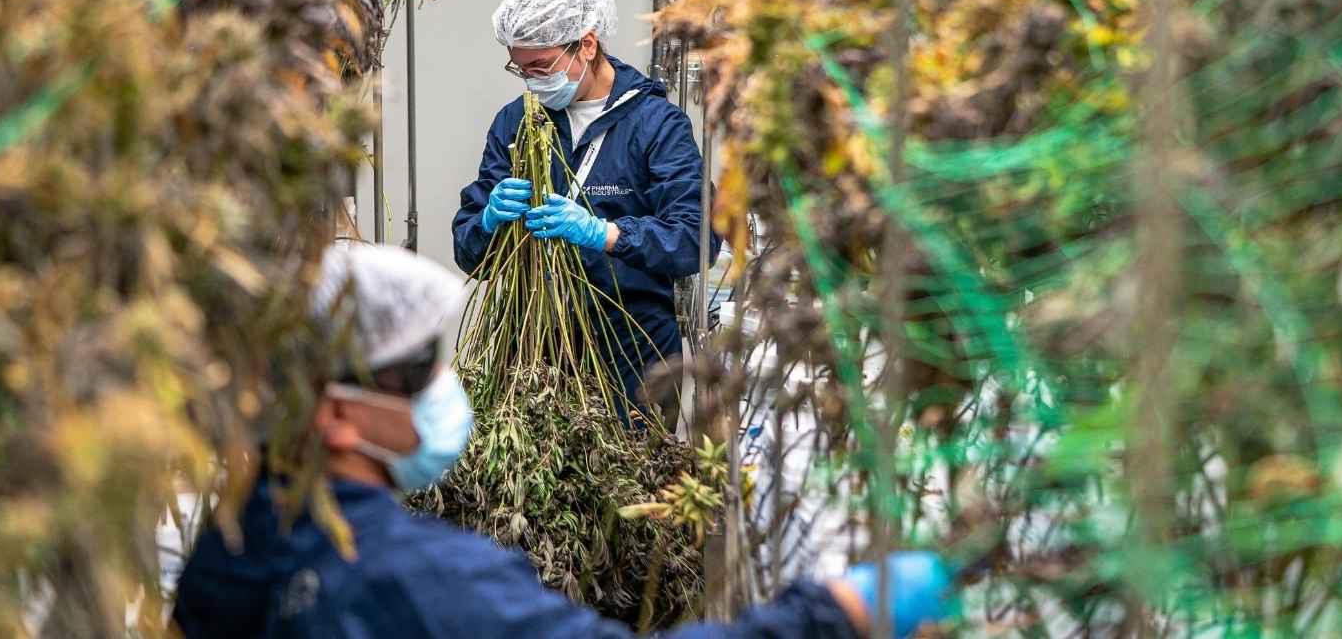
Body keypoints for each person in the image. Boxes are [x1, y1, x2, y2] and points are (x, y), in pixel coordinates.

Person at [172, 242, 954, 638]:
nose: (445, 383)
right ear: (331, 413)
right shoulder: (426, 581)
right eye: (414, 372)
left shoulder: (229, 550)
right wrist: (837, 611)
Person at [453, 0, 720, 413]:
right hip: (537, 347)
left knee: (631, 474)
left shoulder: (655, 124)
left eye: (541, 66)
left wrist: (605, 234)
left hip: (633, 350)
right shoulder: (518, 123)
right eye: (520, 69)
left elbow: (697, 239)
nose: (532, 81)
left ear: (588, 45)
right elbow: (470, 254)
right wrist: (488, 222)